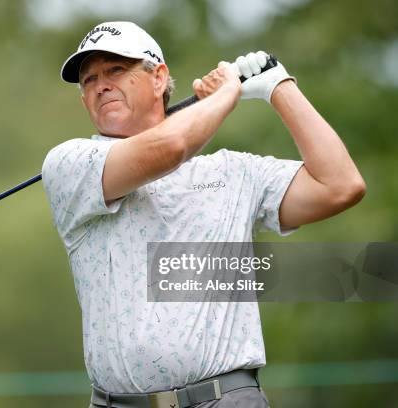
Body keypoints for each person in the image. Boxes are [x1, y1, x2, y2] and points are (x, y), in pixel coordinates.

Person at [41, 21, 366, 408]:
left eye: (116, 70)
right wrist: (227, 94)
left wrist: (279, 87)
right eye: (89, 79)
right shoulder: (70, 164)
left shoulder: (232, 172)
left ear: (159, 78)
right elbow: (169, 147)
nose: (101, 85)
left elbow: (341, 185)